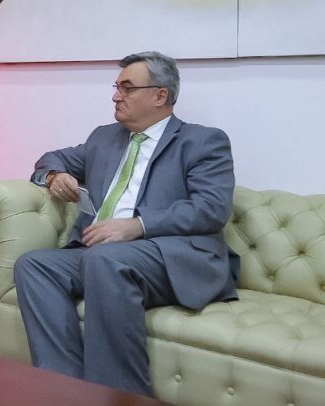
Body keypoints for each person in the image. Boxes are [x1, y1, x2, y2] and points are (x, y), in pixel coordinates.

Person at [13, 51, 237, 396]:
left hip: (169, 255)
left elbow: (211, 208)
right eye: (116, 87)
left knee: (104, 259)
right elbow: (51, 158)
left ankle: (120, 396)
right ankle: (64, 389)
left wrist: (137, 225)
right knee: (33, 265)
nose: (116, 96)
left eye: (127, 88)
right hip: (101, 253)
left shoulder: (202, 141)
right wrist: (54, 175)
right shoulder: (104, 138)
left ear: (160, 95)